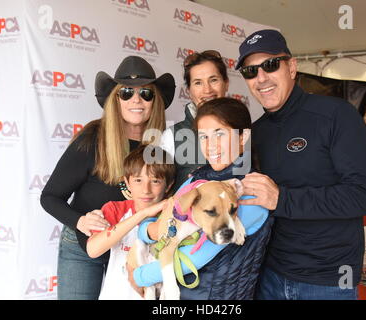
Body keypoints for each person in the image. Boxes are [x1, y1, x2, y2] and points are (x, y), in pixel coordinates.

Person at [235, 29, 366, 300]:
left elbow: (365, 196)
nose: (261, 78)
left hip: (327, 282)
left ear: (291, 67)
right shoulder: (255, 133)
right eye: (250, 71)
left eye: (270, 65)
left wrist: (282, 199)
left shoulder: (336, 116)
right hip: (267, 276)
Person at [40, 55, 175, 300]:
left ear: (155, 100)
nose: (136, 100)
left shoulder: (165, 144)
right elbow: (49, 197)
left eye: (146, 93)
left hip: (135, 247)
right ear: (115, 98)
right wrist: (80, 221)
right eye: (126, 92)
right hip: (84, 246)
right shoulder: (93, 138)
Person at [128, 97, 274, 300]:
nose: (210, 145)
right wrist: (147, 231)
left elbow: (197, 257)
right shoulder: (196, 181)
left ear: (243, 137)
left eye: (219, 134)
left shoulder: (253, 192)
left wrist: (139, 276)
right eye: (203, 137)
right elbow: (160, 224)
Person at [86, 145, 175, 299]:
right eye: (138, 180)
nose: (146, 189)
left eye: (155, 181)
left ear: (168, 185)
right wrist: (143, 214)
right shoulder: (114, 209)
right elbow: (93, 250)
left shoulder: (174, 215)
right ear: (127, 182)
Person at [161, 50, 229, 193]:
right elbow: (158, 193)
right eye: (198, 83)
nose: (207, 90)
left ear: (226, 83)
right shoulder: (171, 137)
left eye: (214, 80)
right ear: (189, 91)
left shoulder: (245, 130)